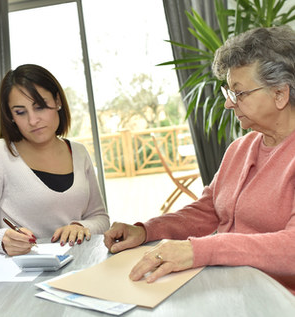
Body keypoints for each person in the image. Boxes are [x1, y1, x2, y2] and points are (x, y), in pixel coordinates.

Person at [104, 26, 295, 295]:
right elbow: (209, 210)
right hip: (230, 291)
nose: (229, 104)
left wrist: (197, 250)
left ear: (280, 94)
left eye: (239, 94)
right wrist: (146, 231)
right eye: (228, 93)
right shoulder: (240, 148)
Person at [0, 64, 109, 256]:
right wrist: (1, 239)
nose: (33, 120)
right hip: (23, 272)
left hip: (80, 265)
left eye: (40, 107)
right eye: (20, 112)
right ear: (10, 116)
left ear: (58, 101)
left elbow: (100, 218)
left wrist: (81, 226)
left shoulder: (79, 152)